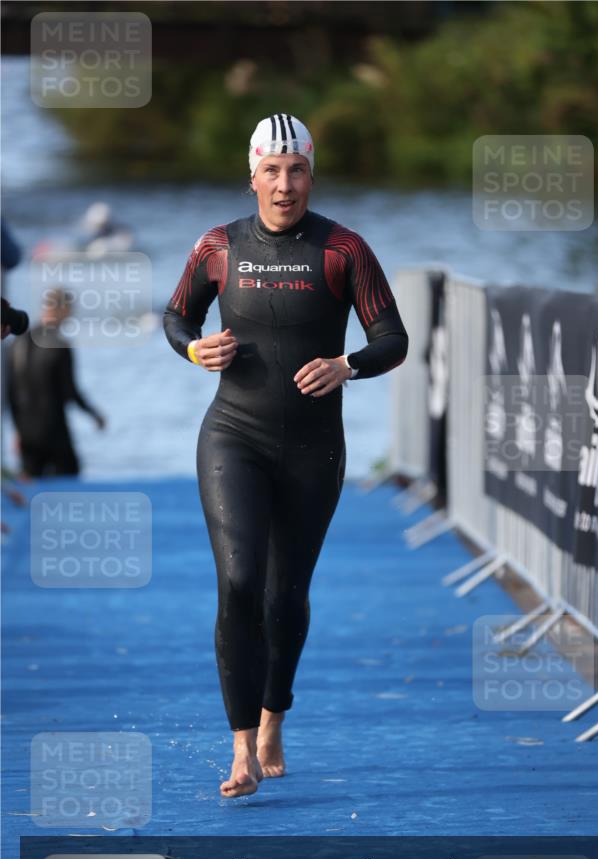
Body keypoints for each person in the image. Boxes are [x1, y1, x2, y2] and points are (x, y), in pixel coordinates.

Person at [164, 113, 408, 798]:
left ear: (310, 175)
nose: (284, 184)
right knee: (239, 582)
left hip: (312, 446)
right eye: (271, 171)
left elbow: (392, 336)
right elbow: (175, 314)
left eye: (296, 170)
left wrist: (348, 365)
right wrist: (191, 346)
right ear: (252, 177)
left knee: (284, 593)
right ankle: (240, 747)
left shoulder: (343, 250)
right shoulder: (219, 247)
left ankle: (274, 716)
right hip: (231, 437)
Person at [7, 289, 106, 477]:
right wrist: (93, 414)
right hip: (54, 429)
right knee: (69, 479)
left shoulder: (17, 343)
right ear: (64, 310)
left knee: (32, 487)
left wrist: (17, 431)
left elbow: (10, 392)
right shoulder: (59, 344)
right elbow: (70, 391)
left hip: (26, 432)